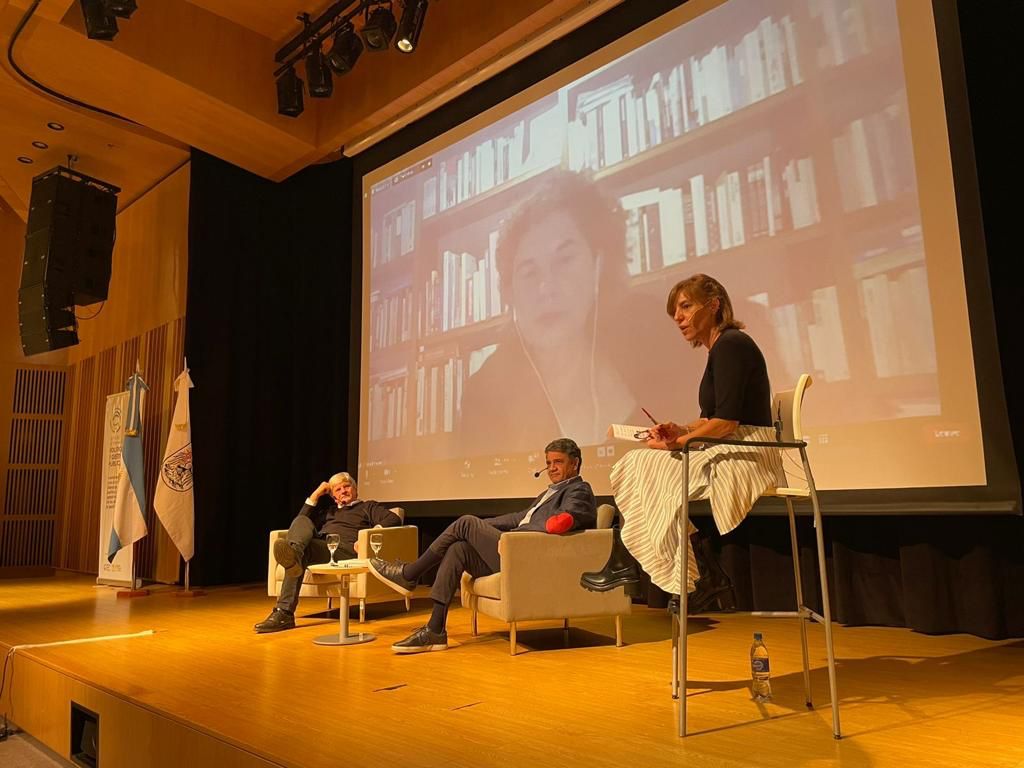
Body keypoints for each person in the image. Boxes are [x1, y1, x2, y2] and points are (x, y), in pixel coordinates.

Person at [581, 274, 783, 612]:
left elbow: (728, 423)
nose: (678, 317)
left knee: (643, 465)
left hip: (749, 451)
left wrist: (680, 444)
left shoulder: (732, 344)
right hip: (730, 445)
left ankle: (647, 564)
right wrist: (680, 430)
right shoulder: (718, 350)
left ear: (714, 304)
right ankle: (701, 572)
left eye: (686, 306)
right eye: (675, 311)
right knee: (639, 464)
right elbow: (710, 419)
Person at [458, 170, 664, 458]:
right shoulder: (483, 393)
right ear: (509, 290)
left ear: (598, 266)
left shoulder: (655, 342)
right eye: (529, 272)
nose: (547, 287)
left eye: (565, 259)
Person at [369, 437, 596, 653]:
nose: (551, 468)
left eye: (558, 462)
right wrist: (482, 527)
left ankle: (410, 573)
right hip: (513, 549)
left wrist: (475, 527)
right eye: (548, 463)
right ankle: (435, 629)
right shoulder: (549, 493)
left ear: (574, 464)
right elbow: (520, 518)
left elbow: (570, 517)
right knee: (459, 548)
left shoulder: (578, 489)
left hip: (526, 555)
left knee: (466, 522)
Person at [254, 472, 402, 633]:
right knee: (302, 521)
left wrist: (371, 534)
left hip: (345, 551)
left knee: (299, 554)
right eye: (338, 490)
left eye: (347, 486)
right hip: (324, 548)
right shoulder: (328, 512)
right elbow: (297, 526)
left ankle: (284, 611)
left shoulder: (368, 507)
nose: (343, 491)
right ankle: (285, 609)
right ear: (333, 496)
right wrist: (315, 495)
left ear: (355, 489)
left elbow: (393, 519)